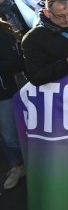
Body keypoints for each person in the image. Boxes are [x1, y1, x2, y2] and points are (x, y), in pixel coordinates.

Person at [0, 19, 26, 189]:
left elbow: (16, 63)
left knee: (10, 137)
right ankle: (17, 166)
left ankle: (34, 169)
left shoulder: (3, 34)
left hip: (4, 94)